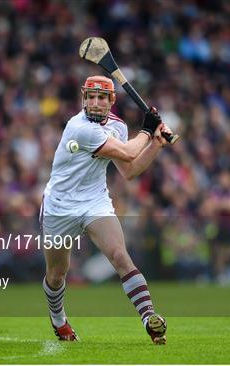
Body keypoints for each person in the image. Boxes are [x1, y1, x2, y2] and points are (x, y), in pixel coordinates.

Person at [40, 75, 173, 344]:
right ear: (83, 98)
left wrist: (156, 144)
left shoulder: (118, 127)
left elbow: (130, 170)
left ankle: (149, 318)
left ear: (111, 100)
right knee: (57, 274)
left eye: (102, 97)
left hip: (94, 201)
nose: (95, 102)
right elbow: (127, 152)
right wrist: (148, 131)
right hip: (60, 206)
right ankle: (58, 319)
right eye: (90, 96)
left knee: (120, 256)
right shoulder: (80, 128)